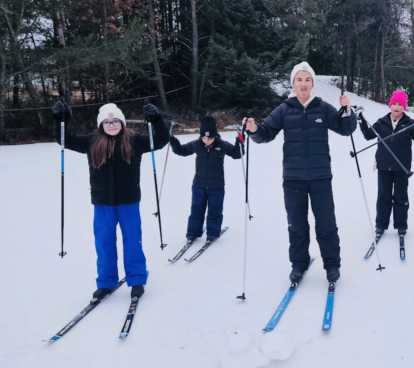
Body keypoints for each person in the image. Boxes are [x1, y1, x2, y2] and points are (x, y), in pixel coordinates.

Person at [244, 61, 357, 284]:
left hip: (320, 177)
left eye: (307, 80)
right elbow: (265, 133)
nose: (303, 84)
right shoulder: (284, 109)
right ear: (293, 84)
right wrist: (254, 129)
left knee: (326, 223)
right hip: (293, 178)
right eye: (299, 80)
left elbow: (345, 129)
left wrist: (347, 111)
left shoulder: (323, 108)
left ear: (312, 84)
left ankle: (332, 264)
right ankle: (299, 264)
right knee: (296, 225)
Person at [52, 101, 169, 300]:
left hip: (129, 200)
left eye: (115, 121)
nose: (112, 125)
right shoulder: (91, 141)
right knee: (104, 242)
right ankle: (106, 282)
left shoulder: (135, 140)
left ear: (122, 123)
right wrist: (61, 119)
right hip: (102, 202)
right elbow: (64, 140)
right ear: (101, 125)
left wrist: (156, 119)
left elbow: (161, 140)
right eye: (107, 121)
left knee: (133, 240)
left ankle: (137, 279)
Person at [358, 90, 414, 238]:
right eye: (394, 104)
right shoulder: (381, 122)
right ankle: (381, 224)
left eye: (400, 104)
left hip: (402, 167)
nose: (397, 107)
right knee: (383, 196)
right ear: (390, 106)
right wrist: (360, 120)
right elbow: (368, 135)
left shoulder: (410, 123)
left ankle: (401, 225)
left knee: (401, 196)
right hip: (384, 165)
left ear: (404, 107)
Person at [169, 115, 242, 244]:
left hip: (216, 185)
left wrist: (240, 141)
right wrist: (173, 141)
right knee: (196, 209)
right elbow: (181, 150)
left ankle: (213, 233)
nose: (207, 141)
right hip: (199, 185)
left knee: (215, 210)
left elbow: (237, 154)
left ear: (215, 136)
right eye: (204, 137)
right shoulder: (197, 145)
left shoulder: (222, 145)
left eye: (210, 138)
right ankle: (193, 233)